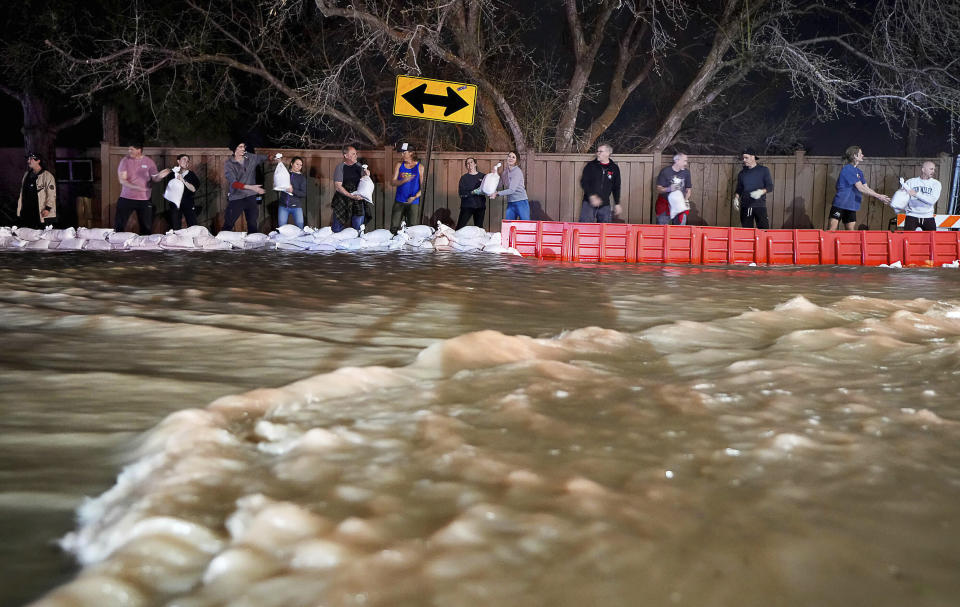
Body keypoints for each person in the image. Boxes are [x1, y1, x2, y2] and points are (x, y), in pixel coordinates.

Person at [829, 145, 890, 230]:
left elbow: (866, 188)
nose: (863, 155)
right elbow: (860, 188)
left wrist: (879, 196)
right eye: (860, 153)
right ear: (854, 155)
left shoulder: (859, 172)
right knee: (832, 229)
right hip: (840, 204)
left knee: (850, 231)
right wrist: (879, 196)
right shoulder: (848, 169)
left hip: (851, 206)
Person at [115, 144, 168, 234]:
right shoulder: (125, 161)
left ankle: (143, 247)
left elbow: (155, 178)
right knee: (119, 226)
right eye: (129, 149)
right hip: (126, 198)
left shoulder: (149, 162)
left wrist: (160, 176)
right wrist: (136, 187)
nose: (129, 151)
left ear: (139, 150)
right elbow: (122, 180)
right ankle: (116, 246)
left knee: (146, 228)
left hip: (144, 199)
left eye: (131, 149)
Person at [223, 142, 268, 233]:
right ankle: (220, 245)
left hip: (250, 197)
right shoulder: (229, 164)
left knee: (252, 224)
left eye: (244, 146)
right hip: (237, 197)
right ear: (234, 149)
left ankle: (252, 246)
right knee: (228, 224)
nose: (243, 149)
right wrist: (253, 188)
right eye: (240, 147)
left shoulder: (251, 157)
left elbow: (265, 157)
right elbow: (234, 184)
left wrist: (274, 158)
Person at [579, 142, 621, 223]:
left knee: (604, 230)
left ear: (608, 153)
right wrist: (591, 196)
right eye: (597, 151)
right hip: (589, 203)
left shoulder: (614, 168)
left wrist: (617, 203)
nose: (597, 153)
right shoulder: (590, 166)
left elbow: (616, 187)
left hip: (605, 204)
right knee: (585, 228)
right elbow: (584, 182)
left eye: (600, 151)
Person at [332, 145, 371, 233]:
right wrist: (351, 196)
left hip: (357, 198)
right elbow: (338, 186)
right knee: (336, 228)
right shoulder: (340, 167)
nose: (356, 156)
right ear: (346, 156)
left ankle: (356, 244)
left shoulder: (359, 166)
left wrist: (367, 175)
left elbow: (364, 182)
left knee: (358, 228)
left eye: (356, 154)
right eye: (353, 154)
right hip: (343, 198)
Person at [732, 148, 774, 229]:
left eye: (746, 158)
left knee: (764, 230)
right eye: (743, 158)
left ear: (753, 157)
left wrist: (761, 192)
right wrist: (736, 198)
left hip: (760, 206)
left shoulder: (764, 170)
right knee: (747, 233)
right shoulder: (742, 173)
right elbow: (739, 188)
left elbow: (770, 187)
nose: (744, 160)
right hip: (746, 206)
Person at [16, 153, 57, 229]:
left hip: (41, 213)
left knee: (43, 236)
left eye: (31, 159)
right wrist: (20, 210)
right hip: (27, 213)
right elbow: (22, 193)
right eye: (28, 159)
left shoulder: (47, 176)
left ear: (38, 161)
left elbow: (51, 194)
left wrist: (48, 208)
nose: (28, 161)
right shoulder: (26, 174)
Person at [390, 142, 423, 232]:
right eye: (401, 153)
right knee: (394, 227)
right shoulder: (399, 165)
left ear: (411, 153)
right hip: (399, 200)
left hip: (413, 202)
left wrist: (415, 197)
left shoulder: (419, 167)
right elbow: (392, 182)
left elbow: (423, 187)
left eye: (404, 152)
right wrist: (403, 181)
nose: (402, 154)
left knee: (411, 229)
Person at [900, 161, 942, 231]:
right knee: (908, 239)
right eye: (931, 169)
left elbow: (932, 201)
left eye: (934, 169)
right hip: (912, 215)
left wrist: (916, 194)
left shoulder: (936, 184)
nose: (933, 171)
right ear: (923, 170)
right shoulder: (910, 182)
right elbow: (902, 198)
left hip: (928, 216)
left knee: (932, 239)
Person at [655, 152, 692, 225]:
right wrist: (669, 189)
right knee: (662, 229)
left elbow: (688, 189)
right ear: (677, 160)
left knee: (680, 230)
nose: (686, 163)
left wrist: (685, 200)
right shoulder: (665, 171)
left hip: (680, 204)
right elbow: (658, 189)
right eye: (684, 161)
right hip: (665, 204)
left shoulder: (686, 172)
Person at [166, 154, 201, 230]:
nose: (186, 162)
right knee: (175, 225)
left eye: (188, 161)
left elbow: (193, 189)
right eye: (184, 160)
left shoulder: (191, 175)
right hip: (175, 203)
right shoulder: (172, 174)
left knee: (193, 225)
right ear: (178, 161)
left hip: (188, 202)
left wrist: (183, 181)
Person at [493, 151, 530, 221]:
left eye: (513, 157)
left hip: (521, 201)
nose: (510, 158)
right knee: (509, 224)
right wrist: (495, 176)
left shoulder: (517, 172)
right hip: (511, 202)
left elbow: (512, 190)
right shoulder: (505, 172)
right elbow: (500, 185)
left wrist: (497, 193)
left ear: (516, 160)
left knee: (526, 224)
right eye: (509, 156)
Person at [457, 157, 486, 229]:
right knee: (459, 227)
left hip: (480, 206)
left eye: (471, 162)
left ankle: (479, 240)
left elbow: (488, 188)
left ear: (475, 164)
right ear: (466, 166)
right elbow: (461, 193)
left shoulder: (483, 176)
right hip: (467, 206)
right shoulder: (464, 178)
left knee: (479, 229)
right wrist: (473, 192)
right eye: (467, 163)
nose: (469, 164)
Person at [279, 156, 306, 229]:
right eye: (297, 164)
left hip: (296, 207)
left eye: (301, 165)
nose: (299, 166)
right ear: (291, 164)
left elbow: (303, 193)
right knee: (281, 228)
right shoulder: (285, 174)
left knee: (300, 228)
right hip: (283, 206)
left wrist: (292, 190)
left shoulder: (302, 178)